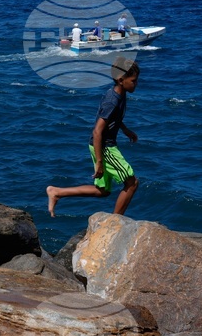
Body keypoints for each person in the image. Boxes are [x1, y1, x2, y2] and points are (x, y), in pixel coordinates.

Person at [46, 56, 140, 217]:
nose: (136, 84)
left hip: (102, 145)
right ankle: (115, 221)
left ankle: (57, 192)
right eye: (133, 80)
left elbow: (114, 118)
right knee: (131, 183)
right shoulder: (112, 100)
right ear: (120, 79)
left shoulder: (120, 93)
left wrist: (124, 129)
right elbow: (97, 131)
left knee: (102, 191)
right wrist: (99, 161)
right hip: (104, 147)